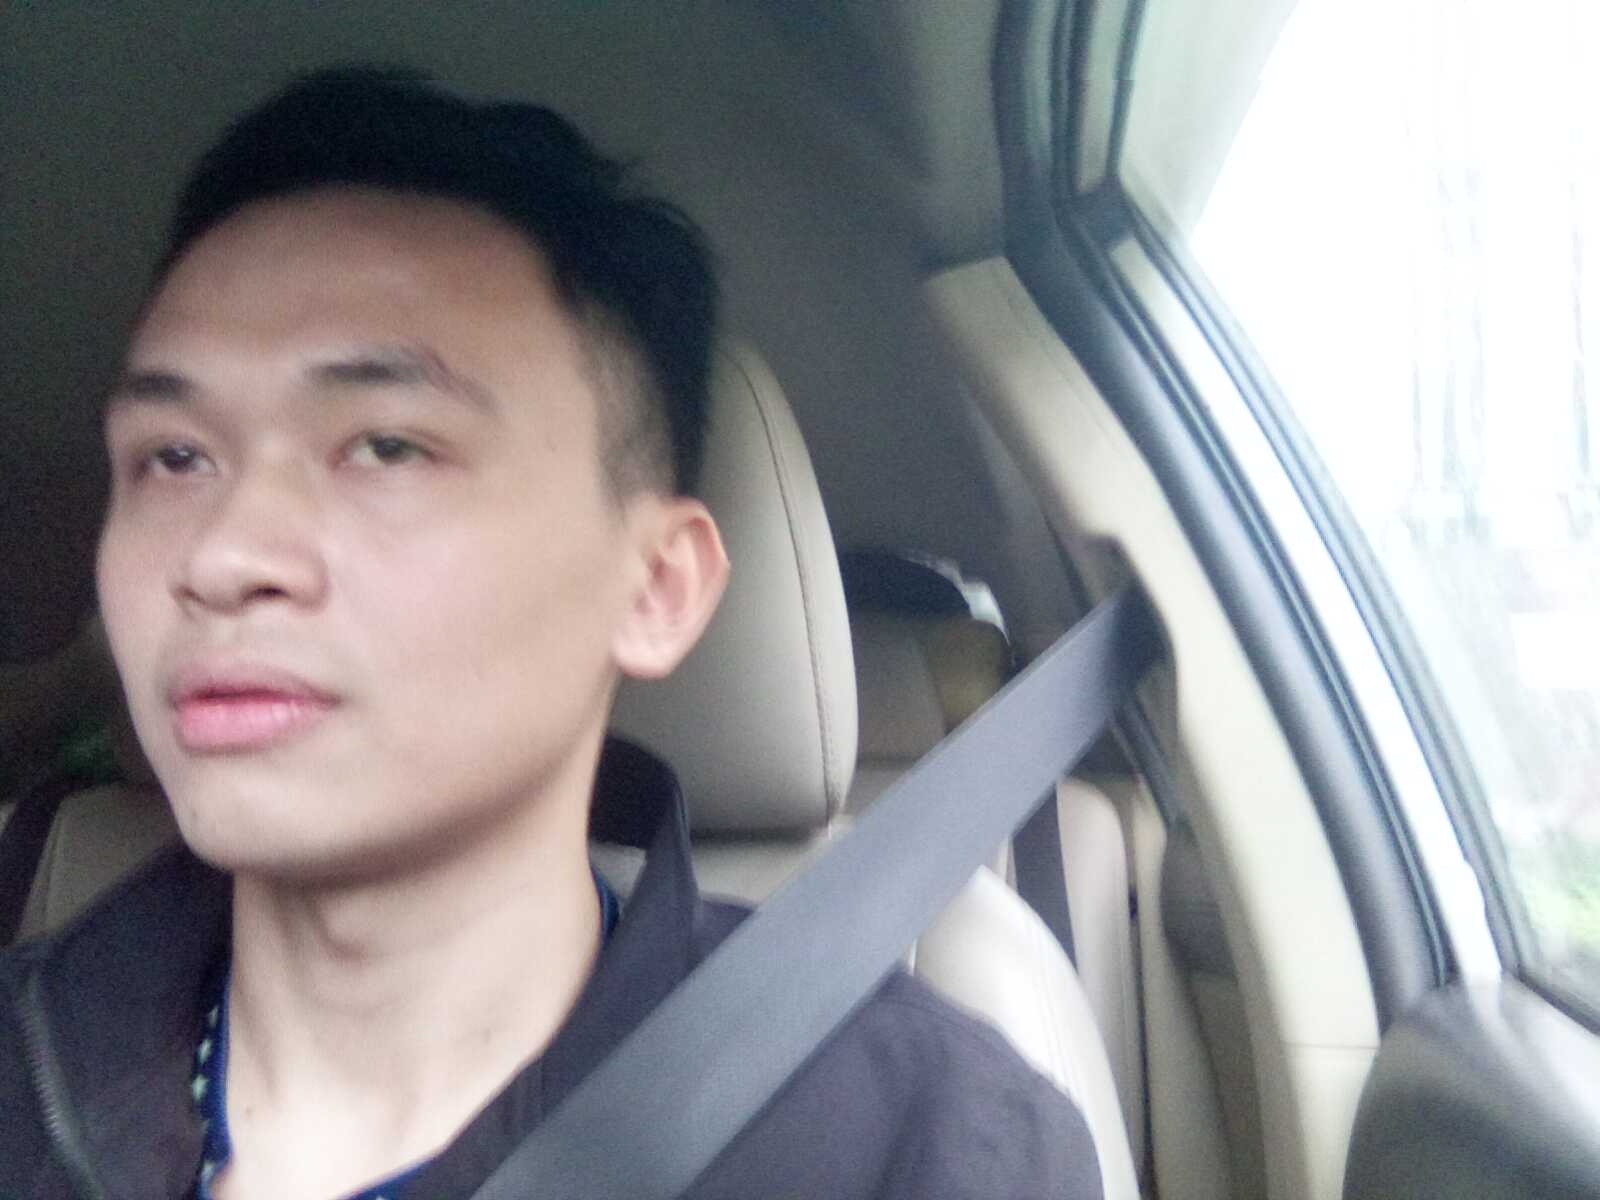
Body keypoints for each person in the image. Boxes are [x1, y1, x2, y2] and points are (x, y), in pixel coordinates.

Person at [0, 68, 1103, 1199]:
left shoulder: (926, 1147)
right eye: (174, 458)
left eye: (387, 447)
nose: (222, 557)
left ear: (657, 589)